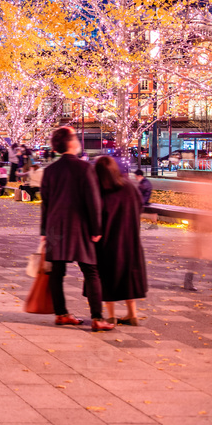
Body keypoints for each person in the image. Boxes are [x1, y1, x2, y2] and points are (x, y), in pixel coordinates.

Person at [40, 127, 114, 331]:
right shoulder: (84, 168)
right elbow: (93, 201)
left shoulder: (49, 170)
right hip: (79, 227)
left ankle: (61, 313)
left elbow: (45, 203)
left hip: (55, 226)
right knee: (91, 271)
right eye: (75, 137)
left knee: (56, 272)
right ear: (71, 142)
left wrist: (44, 233)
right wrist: (97, 228)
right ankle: (97, 317)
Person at [93, 156, 148, 326]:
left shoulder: (101, 191)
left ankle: (110, 315)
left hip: (108, 242)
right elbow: (139, 207)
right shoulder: (130, 187)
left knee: (106, 276)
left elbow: (96, 216)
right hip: (130, 239)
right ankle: (132, 313)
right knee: (128, 275)